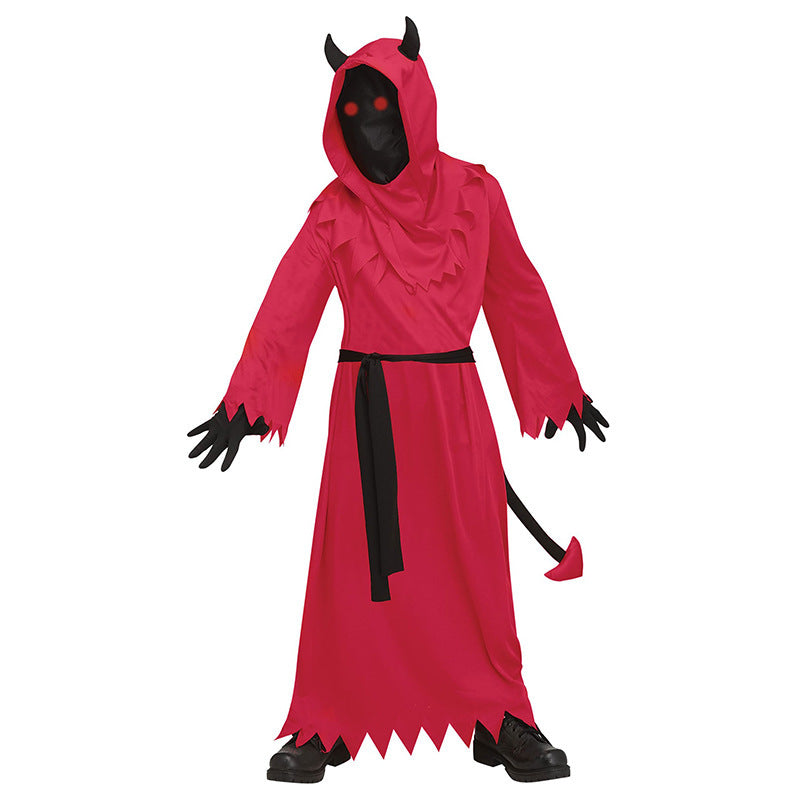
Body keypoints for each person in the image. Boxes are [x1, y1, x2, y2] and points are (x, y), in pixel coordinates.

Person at [188, 16, 608, 784]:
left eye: (383, 109)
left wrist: (557, 389)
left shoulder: (477, 194)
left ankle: (499, 714)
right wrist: (250, 400)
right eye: (352, 114)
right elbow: (289, 303)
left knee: (472, 559)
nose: (370, 130)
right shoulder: (336, 211)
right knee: (355, 567)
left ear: (414, 105)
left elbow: (515, 292)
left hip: (452, 408)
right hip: (368, 411)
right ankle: (329, 717)